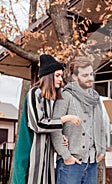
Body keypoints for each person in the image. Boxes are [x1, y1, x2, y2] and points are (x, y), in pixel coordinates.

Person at [11, 54, 81, 184]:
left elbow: (51, 126)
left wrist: (61, 137)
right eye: (57, 75)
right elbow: (38, 124)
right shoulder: (34, 93)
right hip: (31, 154)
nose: (61, 79)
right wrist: (65, 118)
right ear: (48, 76)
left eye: (61, 75)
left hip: (46, 157)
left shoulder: (52, 99)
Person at [51, 56, 106, 184]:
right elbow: (54, 126)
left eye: (91, 74)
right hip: (70, 165)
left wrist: (102, 150)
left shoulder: (95, 98)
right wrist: (66, 156)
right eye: (85, 75)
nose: (90, 78)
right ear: (75, 77)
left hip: (91, 163)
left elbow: (101, 126)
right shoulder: (66, 95)